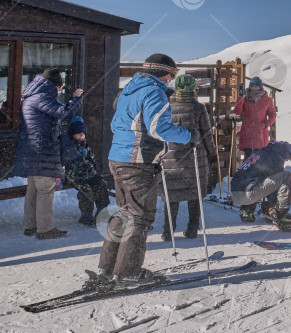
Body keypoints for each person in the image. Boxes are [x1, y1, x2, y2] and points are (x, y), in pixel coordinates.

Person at [98, 54, 194, 288]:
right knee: (139, 217)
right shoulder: (153, 91)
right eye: (173, 73)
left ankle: (108, 267)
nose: (173, 78)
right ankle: (128, 272)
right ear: (164, 72)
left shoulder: (129, 90)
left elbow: (114, 125)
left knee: (124, 214)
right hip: (137, 163)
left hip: (118, 159)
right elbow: (157, 128)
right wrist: (187, 135)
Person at [14, 68, 83, 239]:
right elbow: (64, 113)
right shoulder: (43, 97)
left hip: (32, 150)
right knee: (45, 189)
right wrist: (75, 98)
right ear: (55, 85)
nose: (59, 91)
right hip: (42, 151)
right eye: (59, 88)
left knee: (33, 191)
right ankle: (45, 229)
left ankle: (31, 226)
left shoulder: (31, 97)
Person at [160, 74, 217, 241]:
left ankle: (168, 231)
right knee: (195, 194)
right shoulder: (198, 108)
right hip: (195, 158)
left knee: (171, 196)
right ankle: (192, 229)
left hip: (171, 156)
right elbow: (207, 135)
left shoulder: (166, 106)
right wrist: (212, 154)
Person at [232, 76, 277, 218]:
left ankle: (263, 201)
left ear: (261, 87)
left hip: (260, 139)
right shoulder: (245, 98)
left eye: (256, 86)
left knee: (261, 171)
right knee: (248, 172)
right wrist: (240, 98)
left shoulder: (267, 100)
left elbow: (273, 114)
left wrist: (267, 124)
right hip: (247, 138)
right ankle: (248, 203)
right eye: (252, 86)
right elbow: (237, 111)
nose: (254, 88)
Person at [62, 116, 110, 226]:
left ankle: (102, 212)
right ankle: (86, 215)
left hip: (88, 173)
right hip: (74, 175)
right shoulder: (69, 146)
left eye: (83, 134)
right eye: (78, 134)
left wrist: (93, 170)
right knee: (86, 190)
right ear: (72, 134)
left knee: (100, 186)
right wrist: (83, 169)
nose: (81, 136)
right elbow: (71, 162)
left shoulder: (84, 144)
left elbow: (91, 159)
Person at [230, 141, 291, 222]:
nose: (286, 161)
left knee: (256, 179)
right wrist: (275, 205)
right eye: (288, 158)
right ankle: (281, 214)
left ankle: (247, 210)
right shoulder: (276, 158)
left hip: (235, 192)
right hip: (248, 194)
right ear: (285, 152)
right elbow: (275, 187)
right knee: (286, 176)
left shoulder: (261, 153)